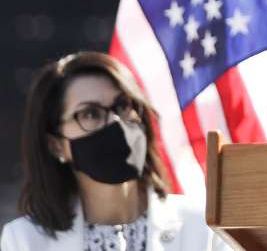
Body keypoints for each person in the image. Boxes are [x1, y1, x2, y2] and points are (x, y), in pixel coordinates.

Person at [2, 51, 231, 251]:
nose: (115, 123)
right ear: (56, 145)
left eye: (123, 106)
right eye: (90, 114)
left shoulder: (205, 226)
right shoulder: (25, 241)